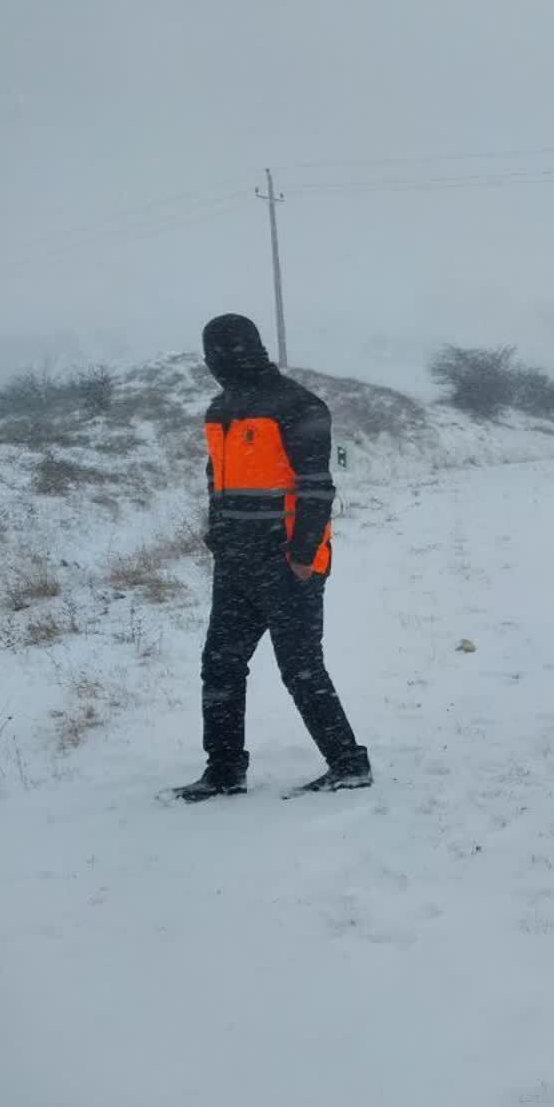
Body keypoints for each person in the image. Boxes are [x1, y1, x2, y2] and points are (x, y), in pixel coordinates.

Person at [171, 314, 372, 801]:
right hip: (236, 564)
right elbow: (215, 480)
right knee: (220, 667)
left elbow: (316, 488)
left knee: (300, 668)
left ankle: (348, 764)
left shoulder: (298, 405)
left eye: (219, 352)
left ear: (243, 350)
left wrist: (303, 556)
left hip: (288, 564)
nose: (215, 362)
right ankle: (224, 772)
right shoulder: (219, 410)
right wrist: (216, 535)